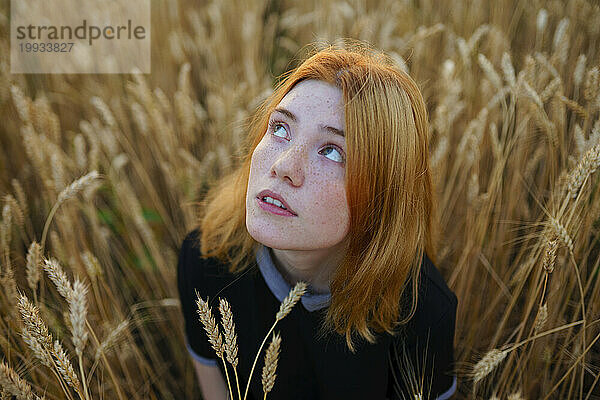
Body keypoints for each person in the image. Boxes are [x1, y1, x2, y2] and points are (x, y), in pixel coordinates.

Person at [177, 39, 458, 400]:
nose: (283, 166)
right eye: (280, 128)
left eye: (331, 151)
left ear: (382, 195)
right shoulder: (206, 263)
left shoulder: (419, 313)